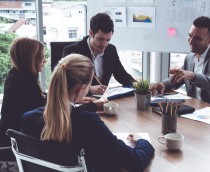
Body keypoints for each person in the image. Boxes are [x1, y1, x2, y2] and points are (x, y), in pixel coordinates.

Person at [21, 54, 154, 172]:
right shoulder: (89, 123)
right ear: (81, 88)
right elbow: (135, 162)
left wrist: (91, 107)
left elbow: (66, 115)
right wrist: (142, 141)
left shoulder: (29, 118)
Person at [150, 16, 210, 109]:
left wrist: (193, 76)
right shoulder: (189, 58)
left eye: (198, 38)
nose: (191, 42)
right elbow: (179, 78)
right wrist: (162, 84)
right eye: (190, 36)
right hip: (197, 109)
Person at [62, 13, 136, 95]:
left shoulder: (111, 50)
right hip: (79, 102)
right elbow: (64, 82)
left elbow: (122, 76)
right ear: (91, 33)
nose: (104, 44)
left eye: (108, 40)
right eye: (100, 39)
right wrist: (89, 89)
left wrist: (143, 86)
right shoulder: (72, 51)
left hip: (103, 102)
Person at [0, 37, 47, 147]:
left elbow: (37, 100)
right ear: (31, 58)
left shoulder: (16, 75)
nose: (44, 60)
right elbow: (46, 109)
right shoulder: (24, 83)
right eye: (41, 56)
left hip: (8, 136)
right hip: (15, 143)